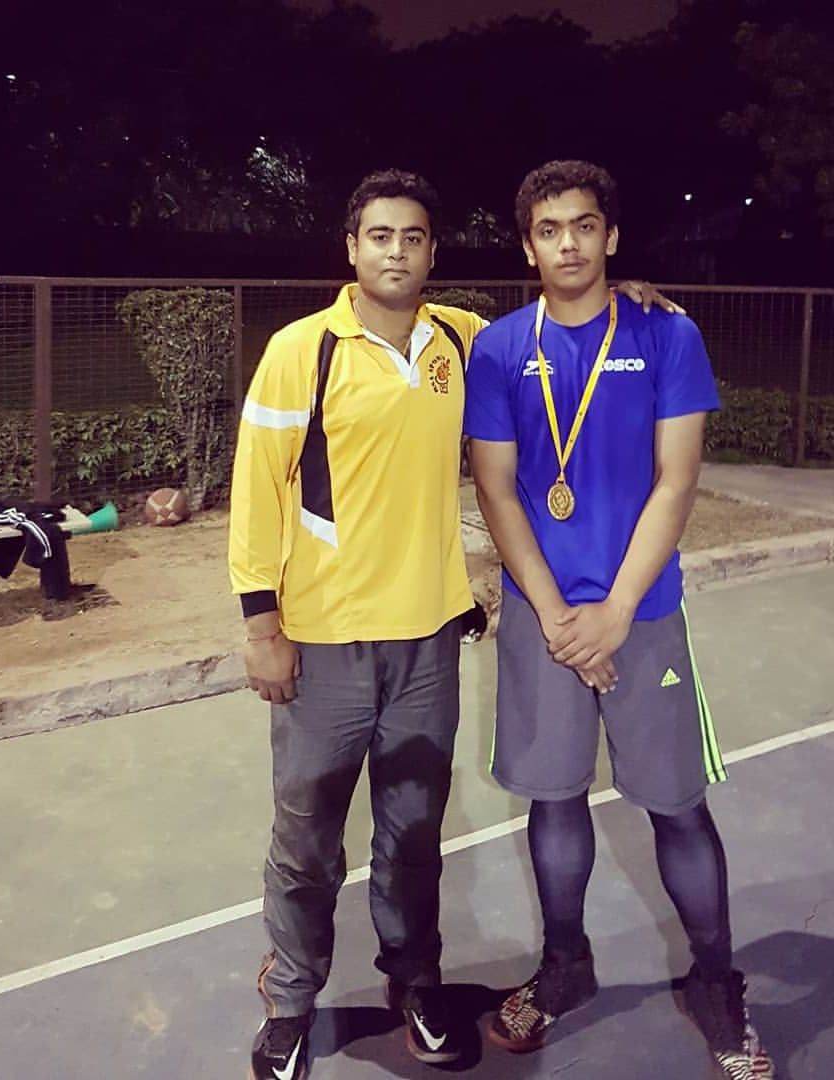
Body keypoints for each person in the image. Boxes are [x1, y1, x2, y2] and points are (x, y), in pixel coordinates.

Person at [229, 166, 677, 1080]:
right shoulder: (301, 350)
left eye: (413, 237)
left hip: (430, 639)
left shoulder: (462, 341)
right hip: (322, 642)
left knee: (412, 837)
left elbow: (553, 328)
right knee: (307, 842)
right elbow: (255, 491)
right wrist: (261, 623)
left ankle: (416, 983)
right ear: (351, 248)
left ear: (433, 253)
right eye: (379, 236)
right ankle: (290, 1002)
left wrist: (621, 293)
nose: (396, 252)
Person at [463, 160, 774, 1080]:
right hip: (544, 620)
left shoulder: (666, 333)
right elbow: (496, 488)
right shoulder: (498, 349)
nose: (569, 243)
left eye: (584, 225)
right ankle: (565, 966)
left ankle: (715, 982)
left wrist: (615, 613)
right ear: (528, 247)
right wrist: (564, 618)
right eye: (549, 229)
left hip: (643, 613)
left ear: (611, 236)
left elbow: (678, 481)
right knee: (553, 799)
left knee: (677, 808)